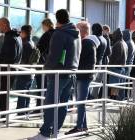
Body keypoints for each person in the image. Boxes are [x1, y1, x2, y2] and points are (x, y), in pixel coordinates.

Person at [29, 9, 81, 140]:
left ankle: (45, 133)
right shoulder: (76, 33)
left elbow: (53, 56)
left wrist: (46, 68)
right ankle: (55, 131)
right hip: (72, 72)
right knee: (63, 103)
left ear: (57, 19)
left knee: (51, 102)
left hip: (58, 73)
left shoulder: (59, 33)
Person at [65, 21, 98, 135]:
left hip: (84, 76)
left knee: (80, 102)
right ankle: (82, 126)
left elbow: (77, 58)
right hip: (84, 76)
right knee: (80, 102)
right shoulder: (87, 42)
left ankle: (80, 127)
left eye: (77, 29)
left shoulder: (86, 43)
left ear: (82, 30)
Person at [0, 17, 22, 114]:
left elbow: (10, 57)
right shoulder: (16, 37)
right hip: (10, 71)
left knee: (1, 94)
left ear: (5, 25)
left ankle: (1, 115)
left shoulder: (11, 38)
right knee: (2, 94)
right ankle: (1, 115)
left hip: (6, 72)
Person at [34, 19, 54, 113]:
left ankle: (39, 107)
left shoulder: (47, 35)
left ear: (46, 25)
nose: (42, 28)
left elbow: (39, 49)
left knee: (41, 86)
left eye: (43, 26)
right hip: (51, 64)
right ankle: (45, 106)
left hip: (43, 64)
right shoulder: (55, 34)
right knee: (47, 87)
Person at [15, 25, 35, 115]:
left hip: (24, 72)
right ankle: (25, 110)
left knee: (22, 93)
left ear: (24, 32)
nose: (19, 34)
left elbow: (22, 59)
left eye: (21, 32)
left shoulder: (25, 44)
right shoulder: (32, 42)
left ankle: (20, 112)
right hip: (30, 72)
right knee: (27, 93)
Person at [108, 28, 128, 100]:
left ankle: (113, 99)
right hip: (122, 67)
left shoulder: (118, 44)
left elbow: (114, 56)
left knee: (114, 85)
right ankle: (118, 99)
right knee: (119, 85)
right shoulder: (124, 43)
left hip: (115, 67)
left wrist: (109, 65)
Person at [90, 23, 107, 99]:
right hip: (101, 63)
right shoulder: (104, 39)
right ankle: (94, 98)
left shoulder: (95, 38)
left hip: (94, 63)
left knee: (91, 83)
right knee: (97, 83)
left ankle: (89, 99)